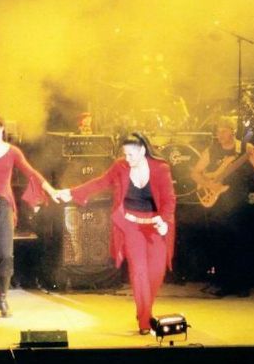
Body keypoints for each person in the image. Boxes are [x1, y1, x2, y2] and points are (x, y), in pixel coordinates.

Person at [58, 132, 176, 334]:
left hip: (154, 225)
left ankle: (146, 310)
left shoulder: (160, 168)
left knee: (156, 273)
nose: (127, 159)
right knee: (138, 272)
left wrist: (164, 221)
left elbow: (169, 199)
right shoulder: (120, 167)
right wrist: (71, 192)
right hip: (130, 224)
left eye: (131, 155)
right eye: (125, 154)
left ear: (142, 150)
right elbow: (100, 182)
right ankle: (144, 320)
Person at [0, 113, 59, 320]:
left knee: (7, 254)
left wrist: (51, 190)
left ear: (2, 129)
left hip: (4, 205)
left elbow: (31, 173)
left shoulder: (12, 152)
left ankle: (2, 299)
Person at [190, 115, 254, 296]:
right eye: (218, 131)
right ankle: (223, 283)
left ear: (233, 131)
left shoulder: (246, 148)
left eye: (223, 131)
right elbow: (195, 173)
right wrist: (209, 185)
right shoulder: (212, 150)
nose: (219, 135)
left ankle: (241, 284)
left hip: (238, 201)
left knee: (240, 242)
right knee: (220, 241)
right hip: (218, 203)